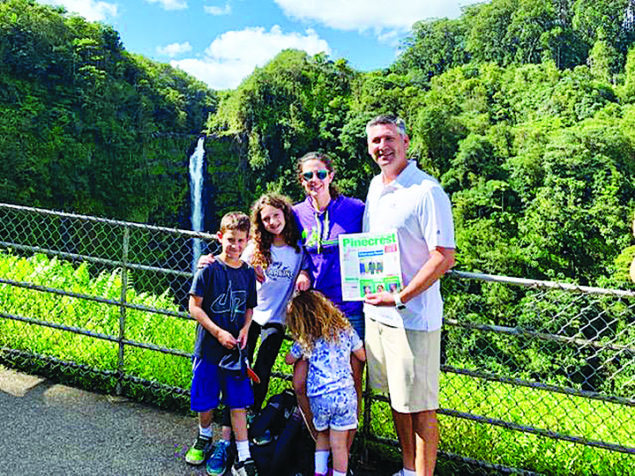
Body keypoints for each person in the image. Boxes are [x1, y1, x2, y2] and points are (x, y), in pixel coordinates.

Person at [363, 115, 455, 476]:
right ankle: (407, 467)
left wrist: (400, 296)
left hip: (414, 318)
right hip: (378, 315)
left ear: (405, 141)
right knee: (397, 400)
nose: (381, 147)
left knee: (420, 406)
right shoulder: (375, 186)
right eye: (375, 142)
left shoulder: (426, 191)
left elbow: (444, 255)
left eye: (388, 139)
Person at [197, 194, 311, 473]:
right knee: (236, 370)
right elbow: (229, 256)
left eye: (276, 216)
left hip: (277, 318)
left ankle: (251, 419)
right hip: (248, 317)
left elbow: (309, 267)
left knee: (262, 368)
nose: (272, 222)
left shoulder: (298, 250)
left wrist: (305, 274)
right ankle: (228, 432)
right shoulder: (255, 247)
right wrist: (206, 259)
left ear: (285, 213)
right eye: (265, 219)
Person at [292, 151, 365, 440]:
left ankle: (343, 457)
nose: (315, 180)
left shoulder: (355, 209)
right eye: (308, 175)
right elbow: (275, 242)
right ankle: (320, 444)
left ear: (331, 176)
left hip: (349, 307)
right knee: (299, 382)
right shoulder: (297, 214)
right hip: (315, 311)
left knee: (352, 383)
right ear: (301, 180)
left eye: (320, 174)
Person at [186, 212, 259, 476]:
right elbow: (194, 306)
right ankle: (204, 436)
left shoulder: (248, 273)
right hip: (208, 348)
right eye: (230, 239)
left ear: (247, 241)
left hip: (236, 352)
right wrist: (218, 333)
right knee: (205, 400)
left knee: (237, 402)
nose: (235, 246)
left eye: (240, 241)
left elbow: (250, 307)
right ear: (220, 237)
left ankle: (243, 455)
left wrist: (245, 329)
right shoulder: (208, 270)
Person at [285, 290, 366, 476]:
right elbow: (361, 355)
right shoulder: (346, 330)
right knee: (339, 445)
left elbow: (289, 359)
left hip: (319, 396)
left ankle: (319, 472)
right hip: (345, 395)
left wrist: (297, 348)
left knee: (322, 436)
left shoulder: (308, 337)